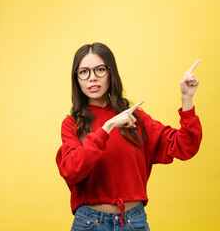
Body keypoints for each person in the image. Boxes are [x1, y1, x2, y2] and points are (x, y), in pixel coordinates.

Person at [56, 42, 202, 231]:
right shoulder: (72, 124)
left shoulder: (135, 118)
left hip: (134, 222)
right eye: (84, 72)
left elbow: (186, 146)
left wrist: (187, 99)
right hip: (90, 224)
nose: (92, 78)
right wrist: (107, 127)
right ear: (76, 79)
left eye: (100, 70)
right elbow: (71, 170)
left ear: (111, 73)